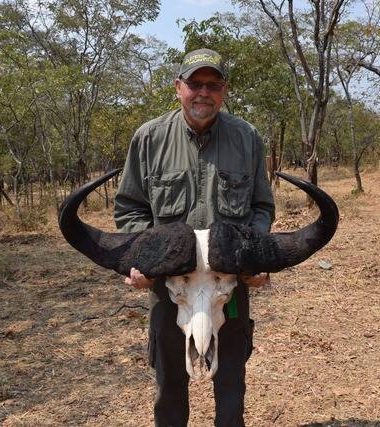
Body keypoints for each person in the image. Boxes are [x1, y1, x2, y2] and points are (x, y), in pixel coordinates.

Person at [113, 48, 275, 427]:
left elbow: (261, 209)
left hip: (228, 288)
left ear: (224, 90)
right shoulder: (149, 138)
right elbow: (130, 208)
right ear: (178, 87)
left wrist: (256, 259)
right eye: (195, 84)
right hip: (170, 286)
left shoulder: (247, 138)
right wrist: (145, 260)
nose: (203, 93)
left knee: (231, 382)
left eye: (213, 85)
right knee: (169, 385)